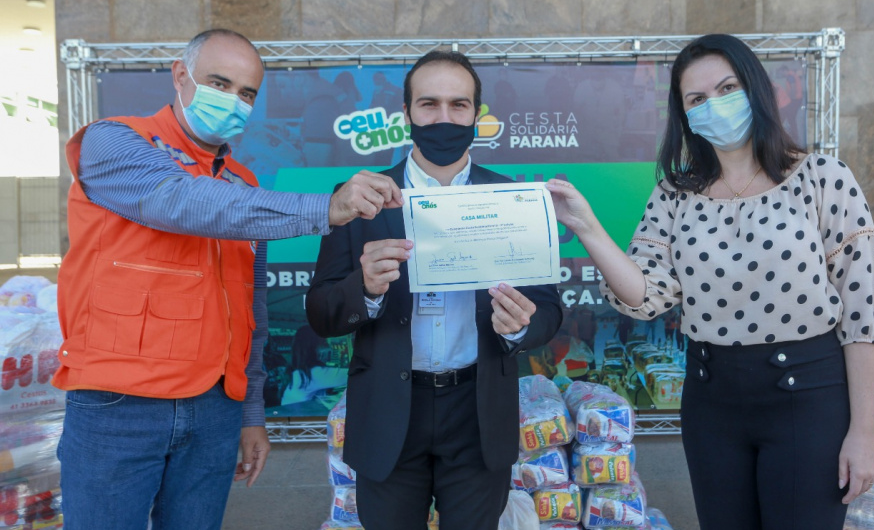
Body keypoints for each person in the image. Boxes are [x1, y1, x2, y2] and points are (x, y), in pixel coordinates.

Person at [53, 28, 403, 530]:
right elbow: (181, 202)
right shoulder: (112, 141)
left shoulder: (243, 184)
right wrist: (327, 206)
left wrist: (251, 414)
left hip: (216, 407)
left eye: (246, 94)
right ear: (180, 75)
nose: (232, 102)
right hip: (120, 405)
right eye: (219, 83)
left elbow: (251, 310)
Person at [546, 34, 874, 529]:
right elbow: (645, 295)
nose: (716, 105)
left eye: (728, 88)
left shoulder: (822, 177)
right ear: (684, 115)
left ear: (756, 89)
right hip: (713, 403)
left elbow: (865, 311)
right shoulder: (675, 194)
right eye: (697, 99)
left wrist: (863, 431)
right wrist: (586, 226)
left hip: (809, 398)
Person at [306, 50, 563, 530]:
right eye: (429, 104)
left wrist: (521, 327)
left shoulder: (512, 199)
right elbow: (320, 313)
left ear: (477, 116)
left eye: (458, 105)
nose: (443, 117)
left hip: (478, 412)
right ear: (406, 114)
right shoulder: (361, 197)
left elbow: (549, 309)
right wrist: (363, 288)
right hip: (387, 413)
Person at [280, 324, 348, 407]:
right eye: (324, 343)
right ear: (313, 347)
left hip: (290, 412)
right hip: (298, 414)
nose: (329, 348)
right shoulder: (315, 373)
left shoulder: (298, 371)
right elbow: (352, 374)